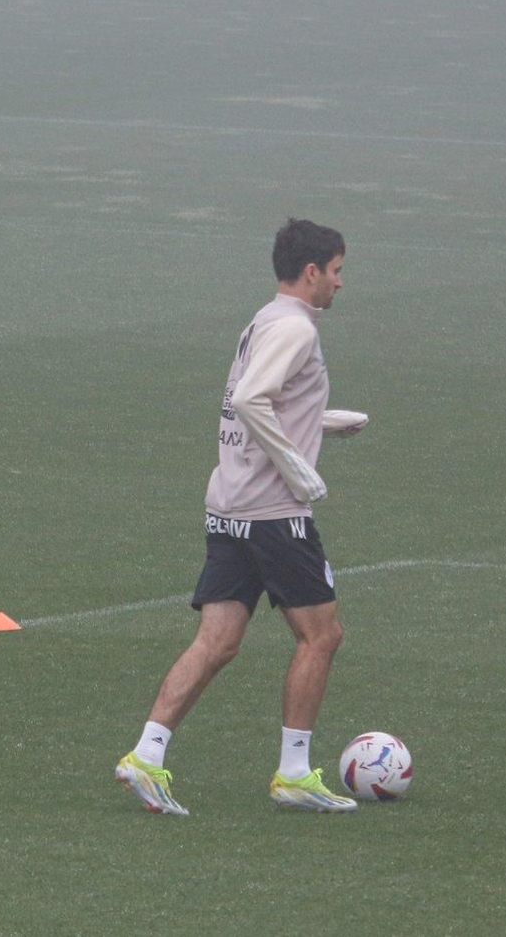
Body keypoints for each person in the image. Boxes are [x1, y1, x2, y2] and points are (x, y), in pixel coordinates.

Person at [115, 219, 370, 814]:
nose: (340, 282)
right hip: (273, 511)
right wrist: (301, 471)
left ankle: (145, 756)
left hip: (229, 504)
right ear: (311, 272)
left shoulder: (265, 318)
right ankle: (294, 773)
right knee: (321, 635)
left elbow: (254, 401)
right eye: (336, 270)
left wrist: (324, 422)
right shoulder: (297, 330)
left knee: (218, 640)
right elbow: (254, 399)